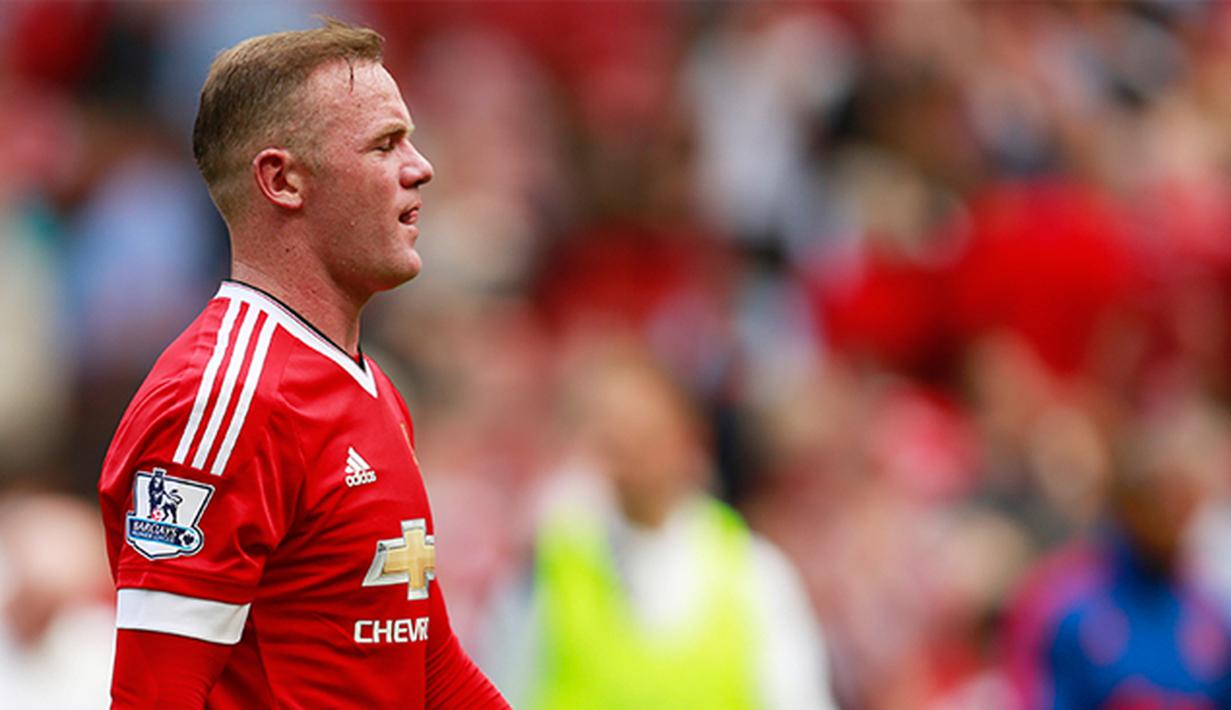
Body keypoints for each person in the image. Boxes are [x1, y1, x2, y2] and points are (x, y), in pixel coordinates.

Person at [97, 19, 509, 708]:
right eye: (385, 144)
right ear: (282, 179)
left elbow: (429, 667)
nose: (420, 166)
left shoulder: (371, 387)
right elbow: (152, 696)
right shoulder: (224, 397)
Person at [482, 339, 838, 709]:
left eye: (644, 432)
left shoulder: (754, 573)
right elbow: (503, 686)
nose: (630, 449)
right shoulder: (548, 564)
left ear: (687, 440)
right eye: (613, 432)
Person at [1002, 401, 1231, 709]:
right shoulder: (1062, 605)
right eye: (1157, 495)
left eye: (1182, 497)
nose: (1170, 512)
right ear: (1124, 501)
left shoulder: (1210, 611)